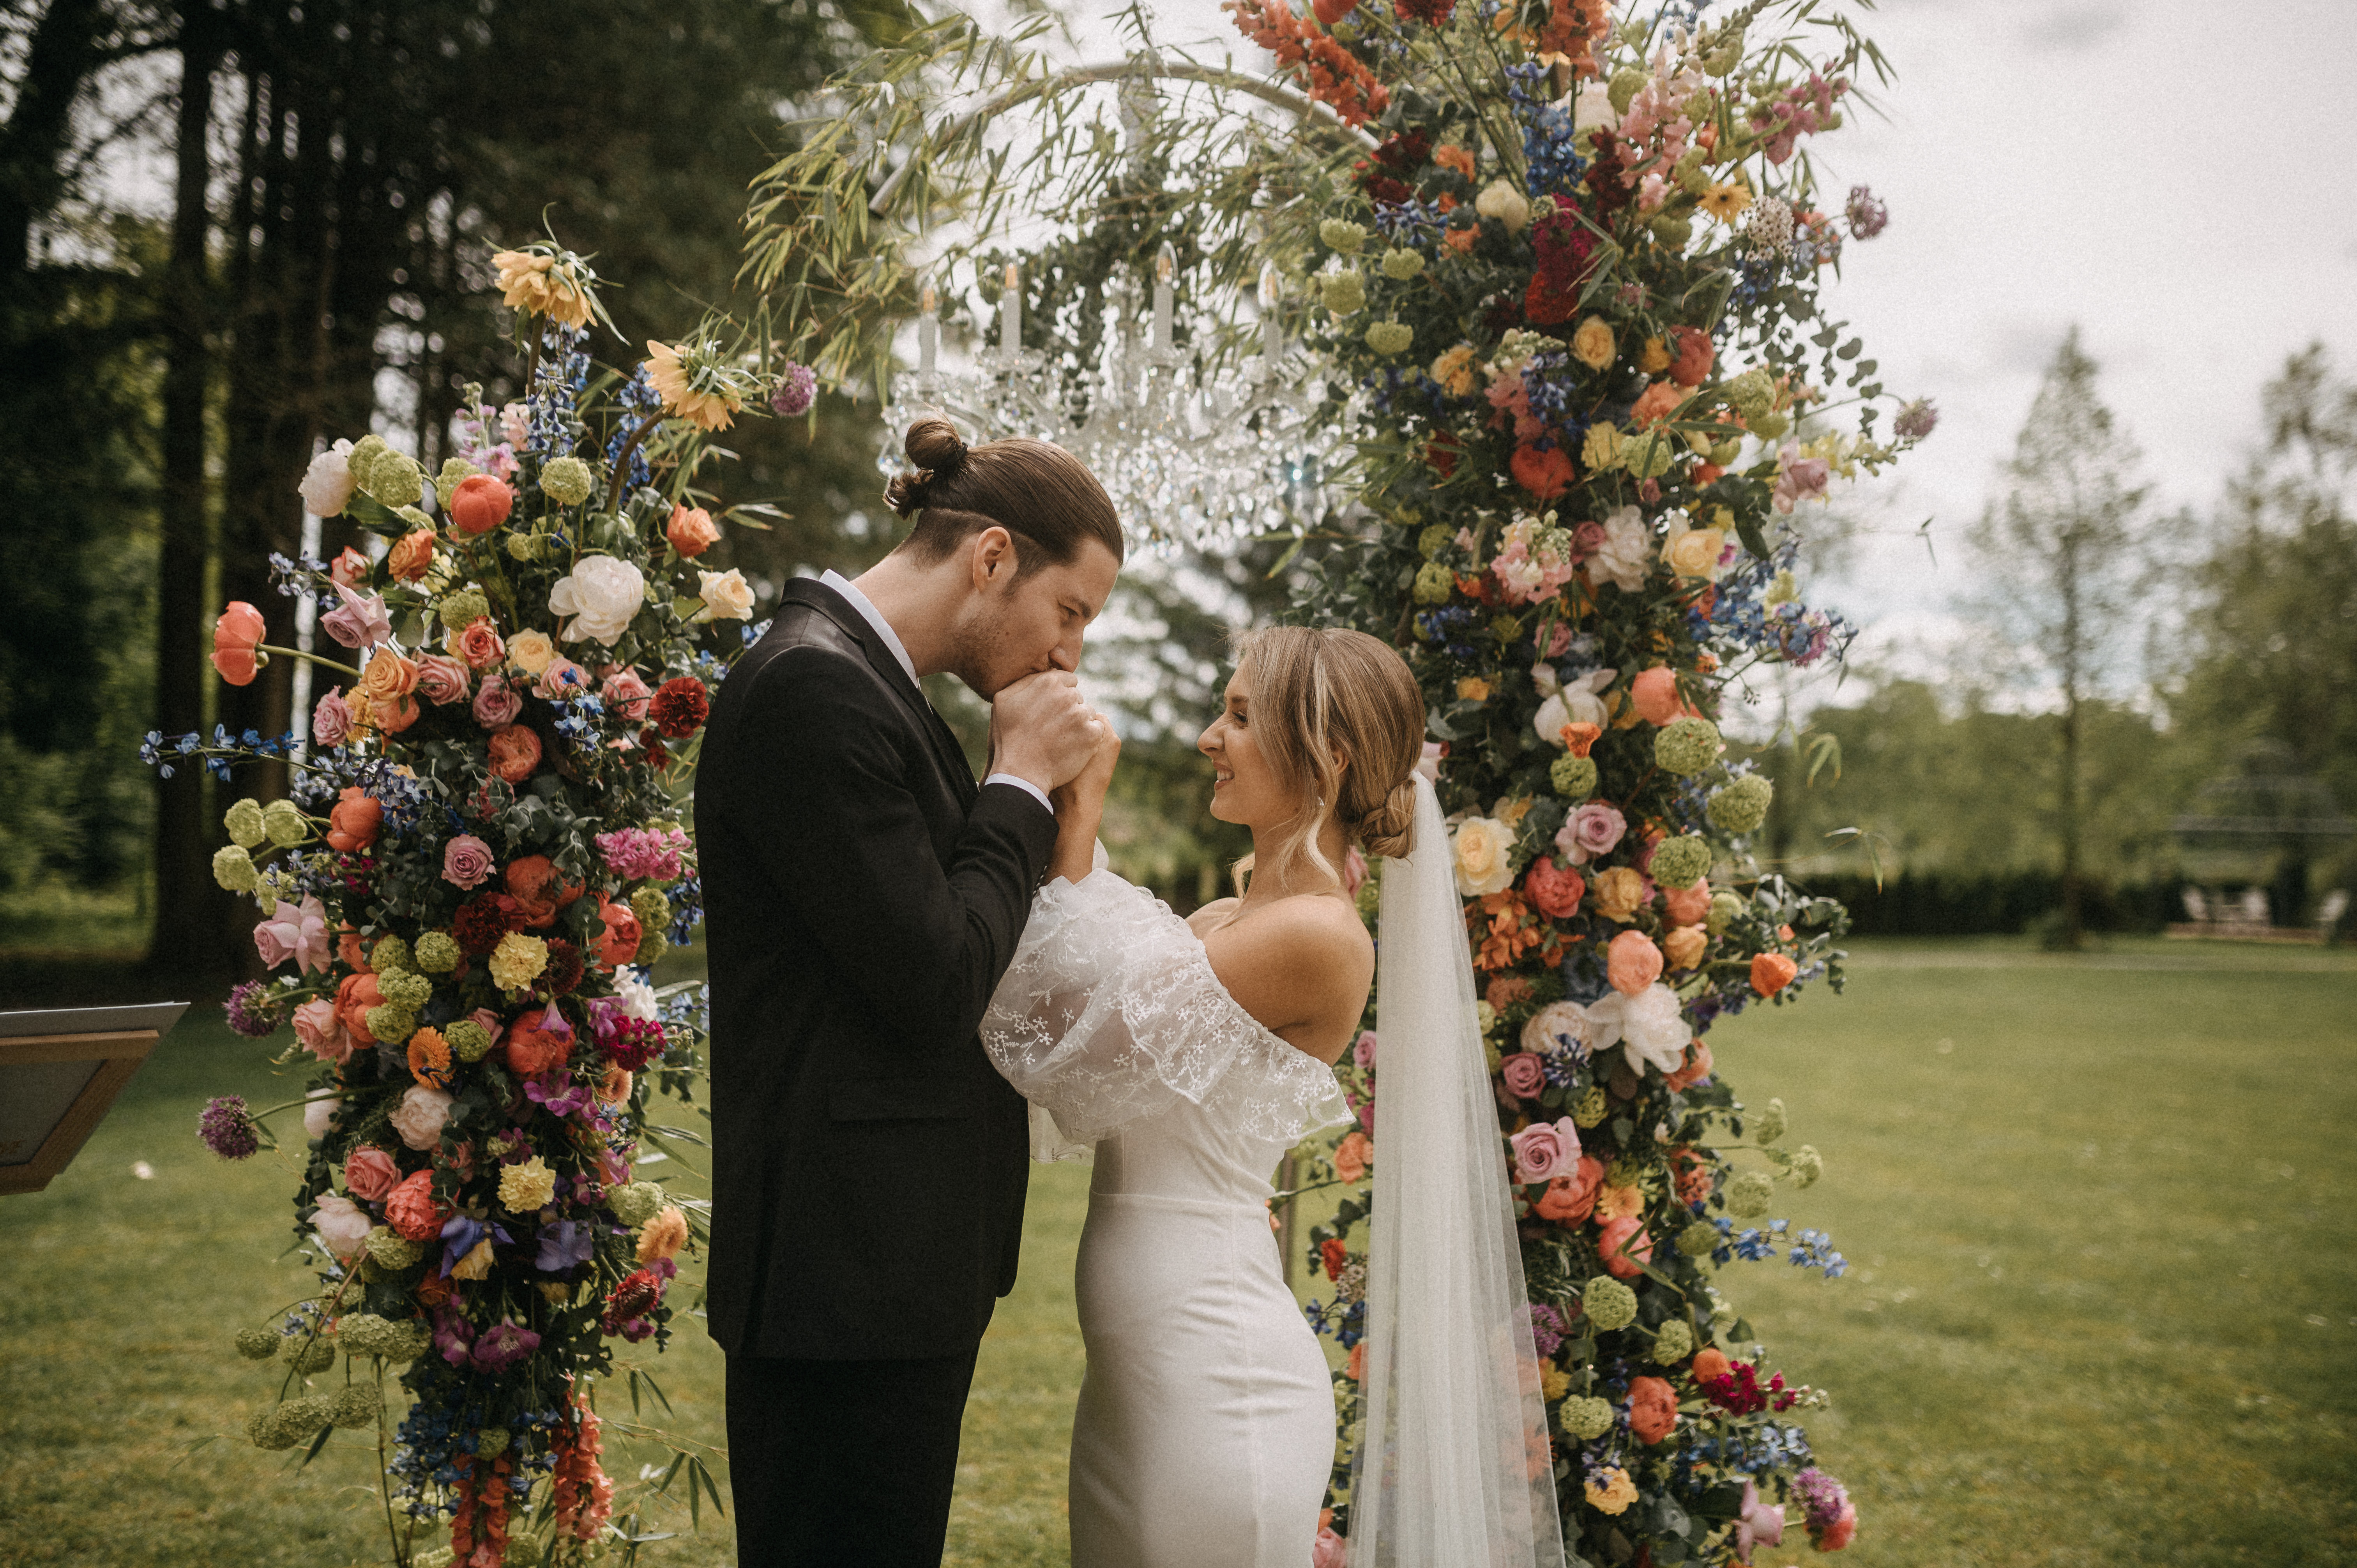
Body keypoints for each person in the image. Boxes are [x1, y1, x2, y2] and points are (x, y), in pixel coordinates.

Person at [982, 627, 1566, 1568]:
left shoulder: (1314, 938)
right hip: (1140, 1374)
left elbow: (1058, 1031)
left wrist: (1080, 806)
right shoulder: (1224, 922)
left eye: (1242, 716)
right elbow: (1078, 995)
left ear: (1326, 761)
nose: (1212, 736)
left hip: (1215, 1376)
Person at [696, 415, 1122, 1568]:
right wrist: (1022, 781)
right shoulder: (813, 692)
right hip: (843, 1281)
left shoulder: (874, 689)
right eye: (1070, 612)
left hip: (887, 1275)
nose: (1068, 654)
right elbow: (938, 980)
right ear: (991, 559)